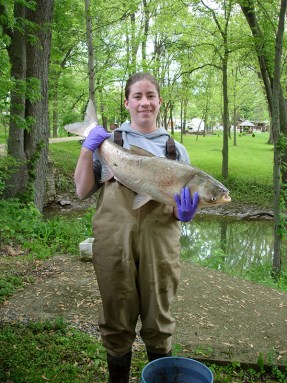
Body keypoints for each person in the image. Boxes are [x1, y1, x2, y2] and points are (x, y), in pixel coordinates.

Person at [74, 72, 198, 383]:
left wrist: (186, 214)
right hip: (114, 241)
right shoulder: (110, 142)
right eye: (138, 96)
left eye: (150, 96)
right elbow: (81, 190)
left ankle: (159, 375)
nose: (144, 102)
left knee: (159, 320)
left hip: (161, 243)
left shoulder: (176, 150)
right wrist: (87, 148)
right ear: (127, 102)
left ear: (159, 102)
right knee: (116, 317)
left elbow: (183, 211)